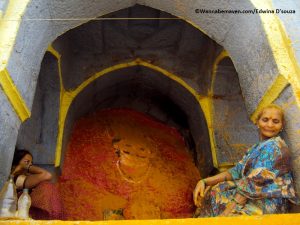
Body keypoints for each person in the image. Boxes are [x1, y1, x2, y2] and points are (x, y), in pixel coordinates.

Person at [193, 104, 298, 216]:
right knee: (215, 190)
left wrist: (226, 213)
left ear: (282, 126)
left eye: (276, 121)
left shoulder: (276, 147)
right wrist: (204, 181)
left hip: (267, 202)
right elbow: (236, 171)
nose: (270, 125)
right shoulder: (257, 147)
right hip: (250, 194)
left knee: (229, 214)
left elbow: (252, 183)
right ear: (257, 122)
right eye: (265, 120)